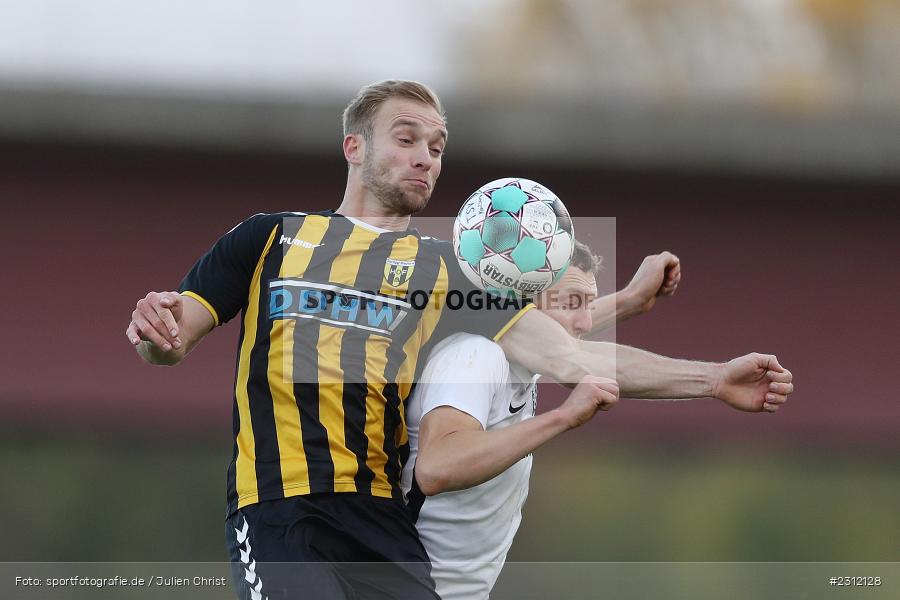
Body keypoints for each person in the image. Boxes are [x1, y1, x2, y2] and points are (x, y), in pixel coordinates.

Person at [125, 80, 793, 600]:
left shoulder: (446, 270)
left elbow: (570, 353)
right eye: (407, 138)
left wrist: (710, 379)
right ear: (354, 147)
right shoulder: (268, 237)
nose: (424, 157)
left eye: (437, 147)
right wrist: (155, 329)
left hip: (382, 522)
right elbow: (174, 334)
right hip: (280, 512)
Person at [402, 241, 679, 599]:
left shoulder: (517, 359)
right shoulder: (473, 356)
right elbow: (436, 467)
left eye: (589, 304)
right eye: (572, 303)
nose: (587, 321)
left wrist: (630, 300)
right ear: (522, 305)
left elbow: (561, 337)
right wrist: (561, 418)